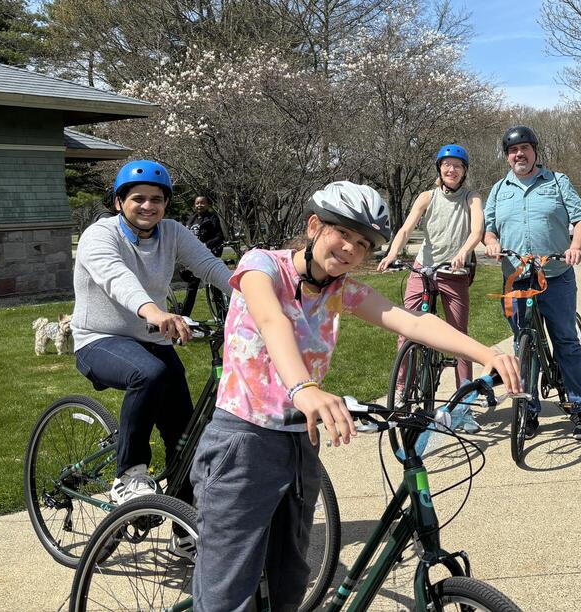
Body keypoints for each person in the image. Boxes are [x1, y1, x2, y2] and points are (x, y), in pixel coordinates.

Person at [190, 181, 520, 612]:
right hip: (244, 440)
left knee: (289, 583)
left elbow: (410, 320)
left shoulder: (340, 289)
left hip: (299, 441)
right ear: (313, 226)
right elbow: (272, 322)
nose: (350, 248)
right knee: (227, 594)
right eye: (342, 233)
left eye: (363, 243)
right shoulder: (261, 267)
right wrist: (304, 387)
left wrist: (484, 352)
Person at [71, 160, 233, 503]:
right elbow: (118, 278)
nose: (148, 206)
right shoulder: (100, 236)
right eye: (138, 198)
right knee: (149, 374)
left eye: (156, 199)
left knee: (184, 434)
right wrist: (156, 312)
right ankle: (129, 474)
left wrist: (254, 295)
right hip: (98, 339)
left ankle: (184, 531)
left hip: (150, 340)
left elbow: (209, 266)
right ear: (119, 202)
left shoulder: (172, 232)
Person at [484, 124, 581, 440]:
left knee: (565, 340)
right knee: (523, 347)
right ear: (507, 157)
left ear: (535, 151)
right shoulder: (499, 189)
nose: (519, 154)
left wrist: (575, 246)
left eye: (524, 148)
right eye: (512, 151)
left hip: (556, 275)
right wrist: (490, 241)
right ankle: (528, 412)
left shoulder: (558, 182)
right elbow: (488, 228)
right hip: (516, 279)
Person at [379, 144, 485, 430]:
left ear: (464, 172)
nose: (452, 170)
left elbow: (477, 230)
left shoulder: (471, 197)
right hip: (422, 269)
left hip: (454, 272)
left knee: (459, 338)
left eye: (458, 166)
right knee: (407, 330)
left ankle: (464, 406)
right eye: (447, 165)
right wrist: (392, 254)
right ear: (439, 168)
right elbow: (405, 228)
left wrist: (464, 250)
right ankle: (403, 390)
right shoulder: (427, 196)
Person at [179, 195, 227, 316]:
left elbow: (219, 237)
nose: (199, 205)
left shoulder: (212, 219)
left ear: (208, 205)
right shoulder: (191, 220)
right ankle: (184, 318)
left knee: (216, 288)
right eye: (197, 203)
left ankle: (222, 318)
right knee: (191, 288)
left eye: (202, 203)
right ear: (194, 205)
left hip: (208, 256)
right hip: (193, 258)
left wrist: (206, 245)